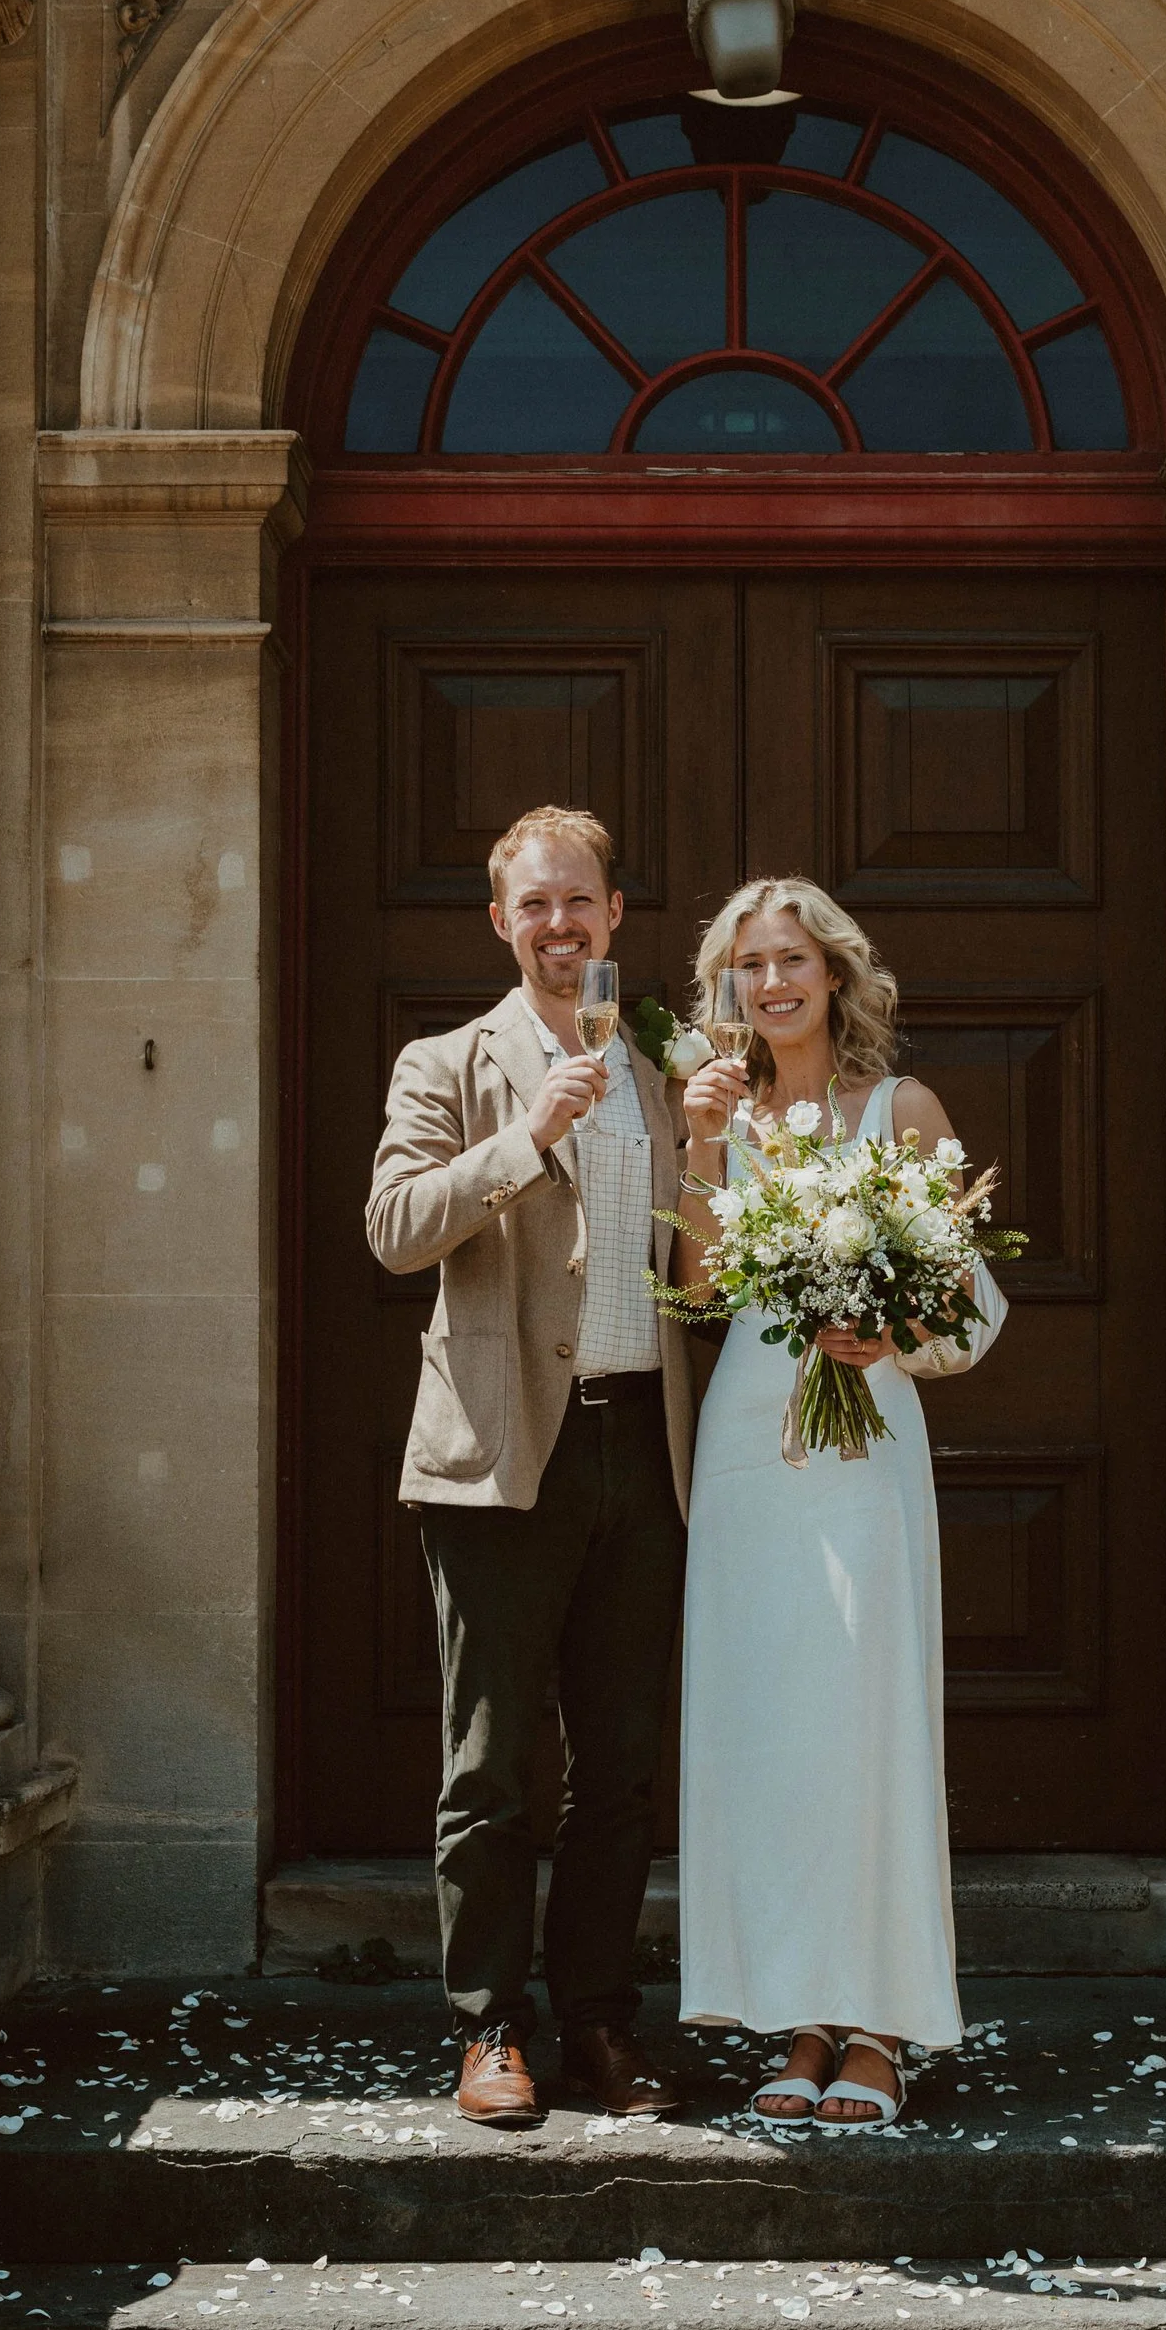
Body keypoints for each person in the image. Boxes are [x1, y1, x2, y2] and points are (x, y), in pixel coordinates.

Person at [365, 808, 693, 2127]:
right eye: (535, 906)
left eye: (582, 904)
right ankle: (489, 2023)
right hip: (505, 1453)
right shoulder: (446, 1061)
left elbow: (694, 1261)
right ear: (502, 923)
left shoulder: (663, 1065)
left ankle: (601, 2022)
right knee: (490, 1761)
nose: (562, 926)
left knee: (617, 1762)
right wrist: (527, 1140)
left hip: (640, 1444)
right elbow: (392, 1229)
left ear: (616, 916)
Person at [671, 876, 1004, 2127]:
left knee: (865, 1721)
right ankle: (799, 2017)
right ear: (727, 987)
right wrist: (704, 1140)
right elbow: (703, 1289)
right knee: (773, 1731)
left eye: (791, 959)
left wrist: (888, 1328)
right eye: (748, 964)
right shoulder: (720, 1108)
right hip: (754, 1436)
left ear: (835, 973)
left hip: (866, 1447)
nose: (772, 983)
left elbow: (962, 1299)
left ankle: (882, 2027)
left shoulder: (897, 1108)